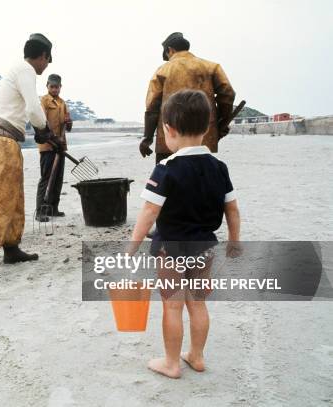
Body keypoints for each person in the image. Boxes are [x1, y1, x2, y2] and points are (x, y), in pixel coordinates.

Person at [127, 89, 241, 378]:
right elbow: (232, 210)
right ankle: (197, 357)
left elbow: (149, 213)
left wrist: (132, 247)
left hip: (171, 249)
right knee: (198, 303)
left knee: (173, 306)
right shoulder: (219, 167)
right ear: (206, 128)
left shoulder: (166, 169)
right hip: (205, 246)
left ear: (169, 129)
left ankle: (172, 363)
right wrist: (235, 242)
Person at [0, 33, 54, 283]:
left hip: (7, 141)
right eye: (47, 60)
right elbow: (33, 109)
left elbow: (28, 111)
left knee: (14, 198)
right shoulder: (25, 69)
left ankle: (11, 248)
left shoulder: (19, 70)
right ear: (42, 56)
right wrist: (45, 131)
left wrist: (43, 132)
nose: (47, 65)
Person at [140, 32, 236, 163]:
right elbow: (228, 94)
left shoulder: (162, 70)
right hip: (203, 141)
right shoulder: (212, 67)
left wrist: (147, 138)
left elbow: (152, 107)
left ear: (170, 50)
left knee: (167, 180)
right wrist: (221, 123)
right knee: (203, 180)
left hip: (169, 143)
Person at [35, 73, 72, 221]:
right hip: (48, 145)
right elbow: (43, 123)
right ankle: (40, 211)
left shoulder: (63, 103)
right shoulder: (43, 101)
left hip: (61, 146)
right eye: (52, 87)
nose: (55, 90)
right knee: (46, 178)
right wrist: (53, 139)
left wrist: (69, 123)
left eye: (57, 87)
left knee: (58, 179)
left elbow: (68, 128)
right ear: (47, 86)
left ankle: (53, 208)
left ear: (60, 87)